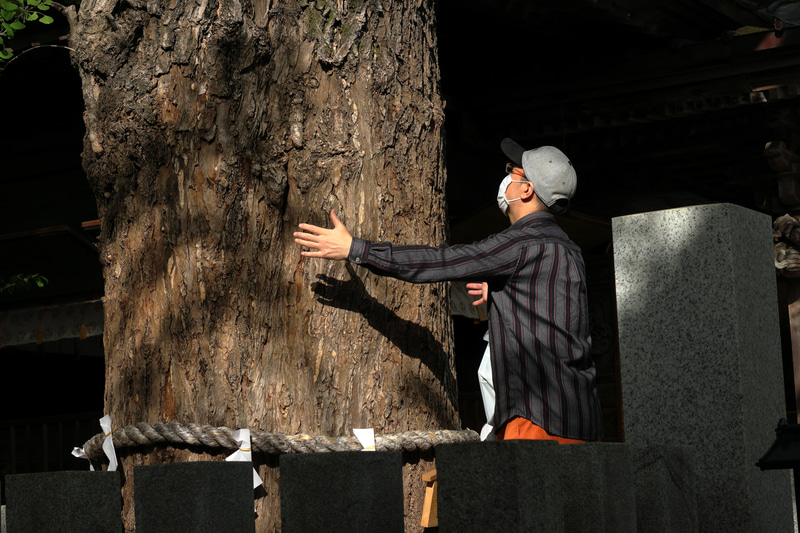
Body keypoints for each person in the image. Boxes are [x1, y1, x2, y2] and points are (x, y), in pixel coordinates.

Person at [294, 138, 602, 443]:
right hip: (582, 416)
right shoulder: (569, 249)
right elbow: (553, 310)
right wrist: (500, 290)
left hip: (538, 420)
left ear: (526, 190)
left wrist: (356, 248)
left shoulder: (519, 244)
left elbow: (441, 261)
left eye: (513, 171)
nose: (506, 177)